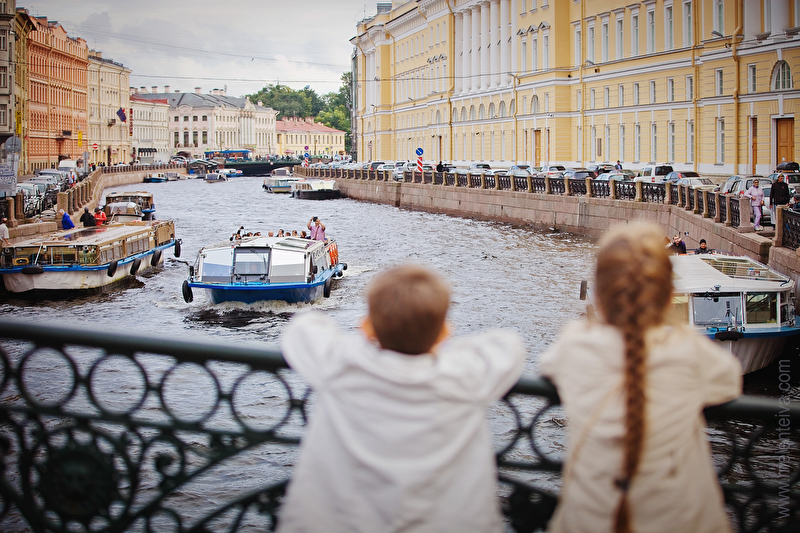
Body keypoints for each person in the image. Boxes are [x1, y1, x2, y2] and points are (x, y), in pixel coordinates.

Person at [278, 265, 524, 533]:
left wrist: (362, 339)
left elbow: (303, 328)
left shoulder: (342, 365)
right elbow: (508, 344)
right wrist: (450, 349)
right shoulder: (464, 377)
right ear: (444, 334)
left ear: (366, 327)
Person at [540, 223, 741, 533]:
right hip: (681, 521)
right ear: (669, 297)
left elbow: (547, 367)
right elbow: (729, 381)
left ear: (599, 297)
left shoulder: (576, 343)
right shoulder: (688, 350)